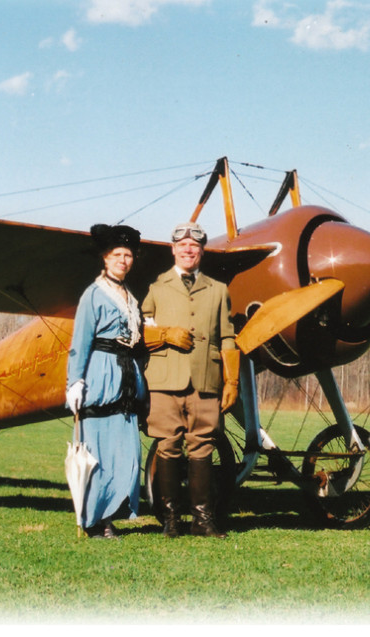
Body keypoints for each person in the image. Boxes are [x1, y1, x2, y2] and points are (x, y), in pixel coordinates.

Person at [141, 221, 240, 538]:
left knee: (202, 448)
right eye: (182, 245)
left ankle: (202, 521)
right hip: (164, 379)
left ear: (201, 251)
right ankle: (170, 520)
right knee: (167, 446)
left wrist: (232, 382)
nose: (188, 250)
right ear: (173, 249)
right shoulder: (156, 289)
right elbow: (140, 332)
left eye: (194, 246)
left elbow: (227, 337)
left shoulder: (218, 290)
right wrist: (166, 334)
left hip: (205, 381)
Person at [65, 223, 148, 539]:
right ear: (105, 258)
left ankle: (112, 512)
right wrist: (75, 381)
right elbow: (81, 339)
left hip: (126, 376)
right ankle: (96, 520)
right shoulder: (93, 294)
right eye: (117, 254)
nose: (123, 260)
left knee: (125, 450)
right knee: (97, 449)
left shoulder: (129, 295)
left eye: (128, 255)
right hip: (100, 375)